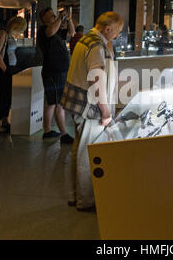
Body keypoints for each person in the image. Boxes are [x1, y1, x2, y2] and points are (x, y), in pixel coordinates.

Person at [61, 12, 123, 211]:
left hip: (77, 104)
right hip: (90, 108)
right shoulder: (97, 45)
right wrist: (105, 111)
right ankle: (86, 200)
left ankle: (74, 195)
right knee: (88, 154)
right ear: (107, 28)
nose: (117, 36)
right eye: (116, 31)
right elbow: (96, 80)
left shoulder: (85, 40)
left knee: (78, 150)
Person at [38, 7, 74, 144]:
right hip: (53, 72)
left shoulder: (58, 31)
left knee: (55, 103)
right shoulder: (44, 31)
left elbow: (72, 32)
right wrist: (60, 18)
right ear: (44, 19)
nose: (54, 16)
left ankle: (48, 131)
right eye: (51, 15)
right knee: (56, 104)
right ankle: (62, 134)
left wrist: (69, 19)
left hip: (60, 71)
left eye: (55, 15)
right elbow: (50, 31)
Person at [0, 16, 27, 134]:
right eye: (21, 29)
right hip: (3, 71)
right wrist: (6, 70)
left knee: (9, 97)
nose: (21, 32)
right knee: (4, 97)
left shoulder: (8, 35)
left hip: (8, 70)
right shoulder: (2, 34)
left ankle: (5, 121)